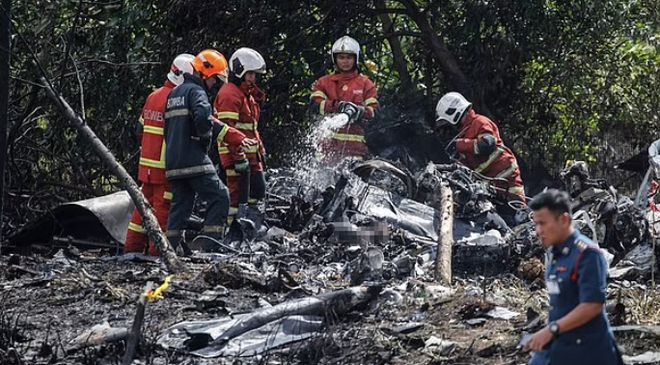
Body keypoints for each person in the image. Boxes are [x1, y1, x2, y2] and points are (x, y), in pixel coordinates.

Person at [163, 49, 250, 252]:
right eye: (214, 81)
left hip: (174, 163)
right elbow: (204, 118)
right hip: (193, 159)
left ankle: (169, 250)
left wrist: (232, 135)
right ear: (206, 74)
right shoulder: (197, 91)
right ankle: (210, 247)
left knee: (180, 207)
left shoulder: (174, 93)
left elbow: (169, 130)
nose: (214, 86)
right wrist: (204, 139)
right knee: (220, 196)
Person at [526, 189, 622, 365]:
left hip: (589, 351)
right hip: (561, 344)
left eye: (543, 223)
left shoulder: (587, 254)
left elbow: (592, 306)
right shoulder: (556, 253)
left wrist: (551, 330)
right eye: (536, 224)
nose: (538, 231)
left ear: (564, 220)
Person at [125, 53, 194, 256]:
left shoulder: (153, 96)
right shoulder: (176, 100)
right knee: (163, 214)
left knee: (141, 212)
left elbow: (139, 130)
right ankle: (157, 256)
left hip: (146, 168)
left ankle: (131, 251)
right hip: (165, 170)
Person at [433, 92, 524, 201]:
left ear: (453, 113)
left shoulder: (479, 122)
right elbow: (470, 165)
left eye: (446, 121)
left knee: (517, 213)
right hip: (491, 185)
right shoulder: (465, 133)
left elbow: (488, 144)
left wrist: (460, 144)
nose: (449, 126)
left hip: (507, 181)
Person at [214, 47, 267, 228]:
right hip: (235, 158)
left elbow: (251, 128)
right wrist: (238, 158)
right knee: (237, 198)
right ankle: (232, 231)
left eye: (255, 74)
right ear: (239, 71)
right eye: (250, 74)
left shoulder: (247, 96)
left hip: (250, 158)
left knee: (257, 192)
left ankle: (249, 226)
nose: (253, 78)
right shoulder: (230, 94)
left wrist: (260, 151)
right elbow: (229, 130)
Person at [309, 35, 379, 164]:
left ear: (356, 58)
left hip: (355, 151)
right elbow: (314, 106)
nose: (345, 61)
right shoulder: (324, 83)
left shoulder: (365, 83)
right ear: (335, 59)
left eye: (349, 57)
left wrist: (358, 111)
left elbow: (374, 112)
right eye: (341, 57)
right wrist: (338, 106)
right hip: (328, 150)